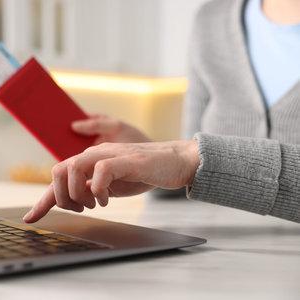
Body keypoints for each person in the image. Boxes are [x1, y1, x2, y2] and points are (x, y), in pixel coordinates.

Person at [23, 0, 300, 224]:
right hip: (217, 253)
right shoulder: (211, 19)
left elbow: (196, 159)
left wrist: (184, 157)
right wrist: (148, 157)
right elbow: (196, 169)